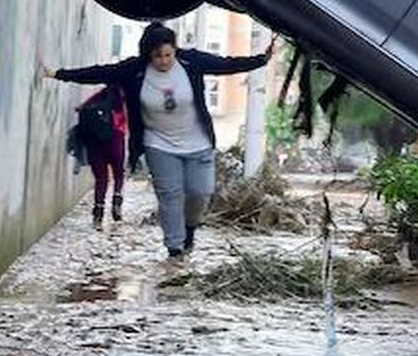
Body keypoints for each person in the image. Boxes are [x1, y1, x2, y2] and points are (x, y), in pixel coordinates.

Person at [44, 22, 274, 258]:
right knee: (170, 195)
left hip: (198, 143)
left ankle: (189, 228)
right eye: (157, 56)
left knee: (200, 191)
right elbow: (100, 72)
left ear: (175, 50)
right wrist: (60, 74)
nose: (164, 61)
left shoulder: (190, 62)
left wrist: (259, 60)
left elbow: (226, 64)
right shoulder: (135, 70)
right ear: (148, 54)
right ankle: (175, 249)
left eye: (168, 55)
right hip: (159, 144)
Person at [76, 83, 128, 227]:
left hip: (94, 142)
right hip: (115, 138)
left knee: (101, 178)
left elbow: (81, 108)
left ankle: (98, 213)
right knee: (119, 173)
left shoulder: (101, 95)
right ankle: (117, 200)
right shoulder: (126, 96)